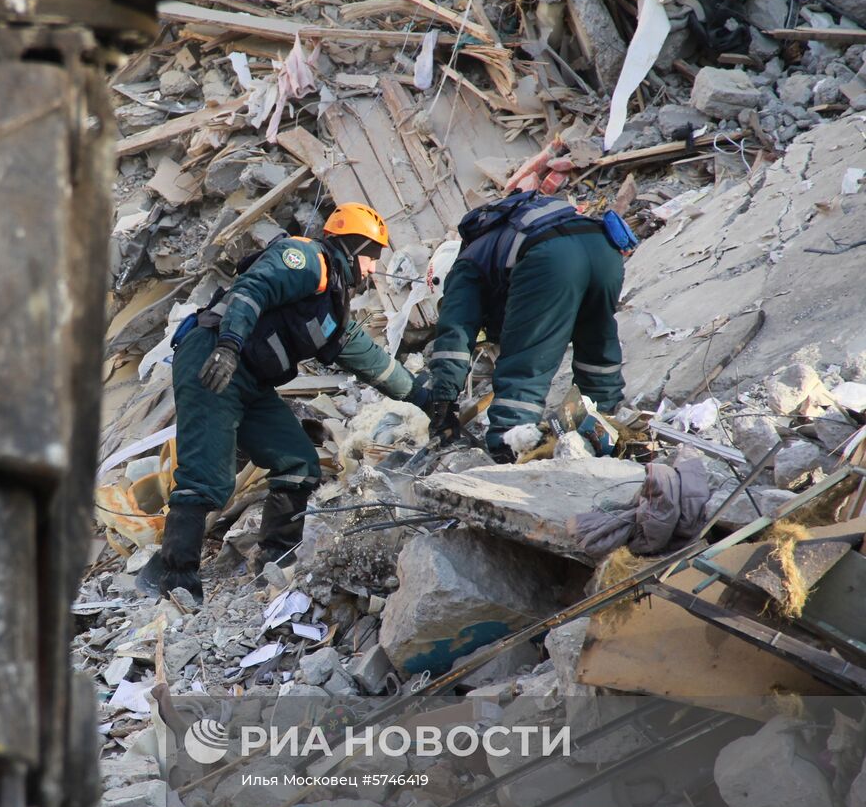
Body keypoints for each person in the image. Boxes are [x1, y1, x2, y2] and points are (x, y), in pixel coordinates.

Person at [140, 203, 421, 601]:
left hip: (250, 380)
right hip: (214, 359)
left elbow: (371, 361)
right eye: (372, 256)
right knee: (206, 478)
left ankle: (276, 560)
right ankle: (175, 579)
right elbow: (252, 289)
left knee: (298, 463)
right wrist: (228, 346)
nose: (374, 268)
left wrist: (424, 397)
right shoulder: (305, 259)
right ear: (354, 246)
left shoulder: (333, 307)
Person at [422, 191, 628, 462]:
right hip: (602, 247)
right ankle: (603, 423)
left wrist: (442, 406)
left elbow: (455, 338)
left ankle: (509, 445)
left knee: (526, 360)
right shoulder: (492, 245)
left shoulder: (464, 268)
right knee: (596, 342)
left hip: (551, 257)